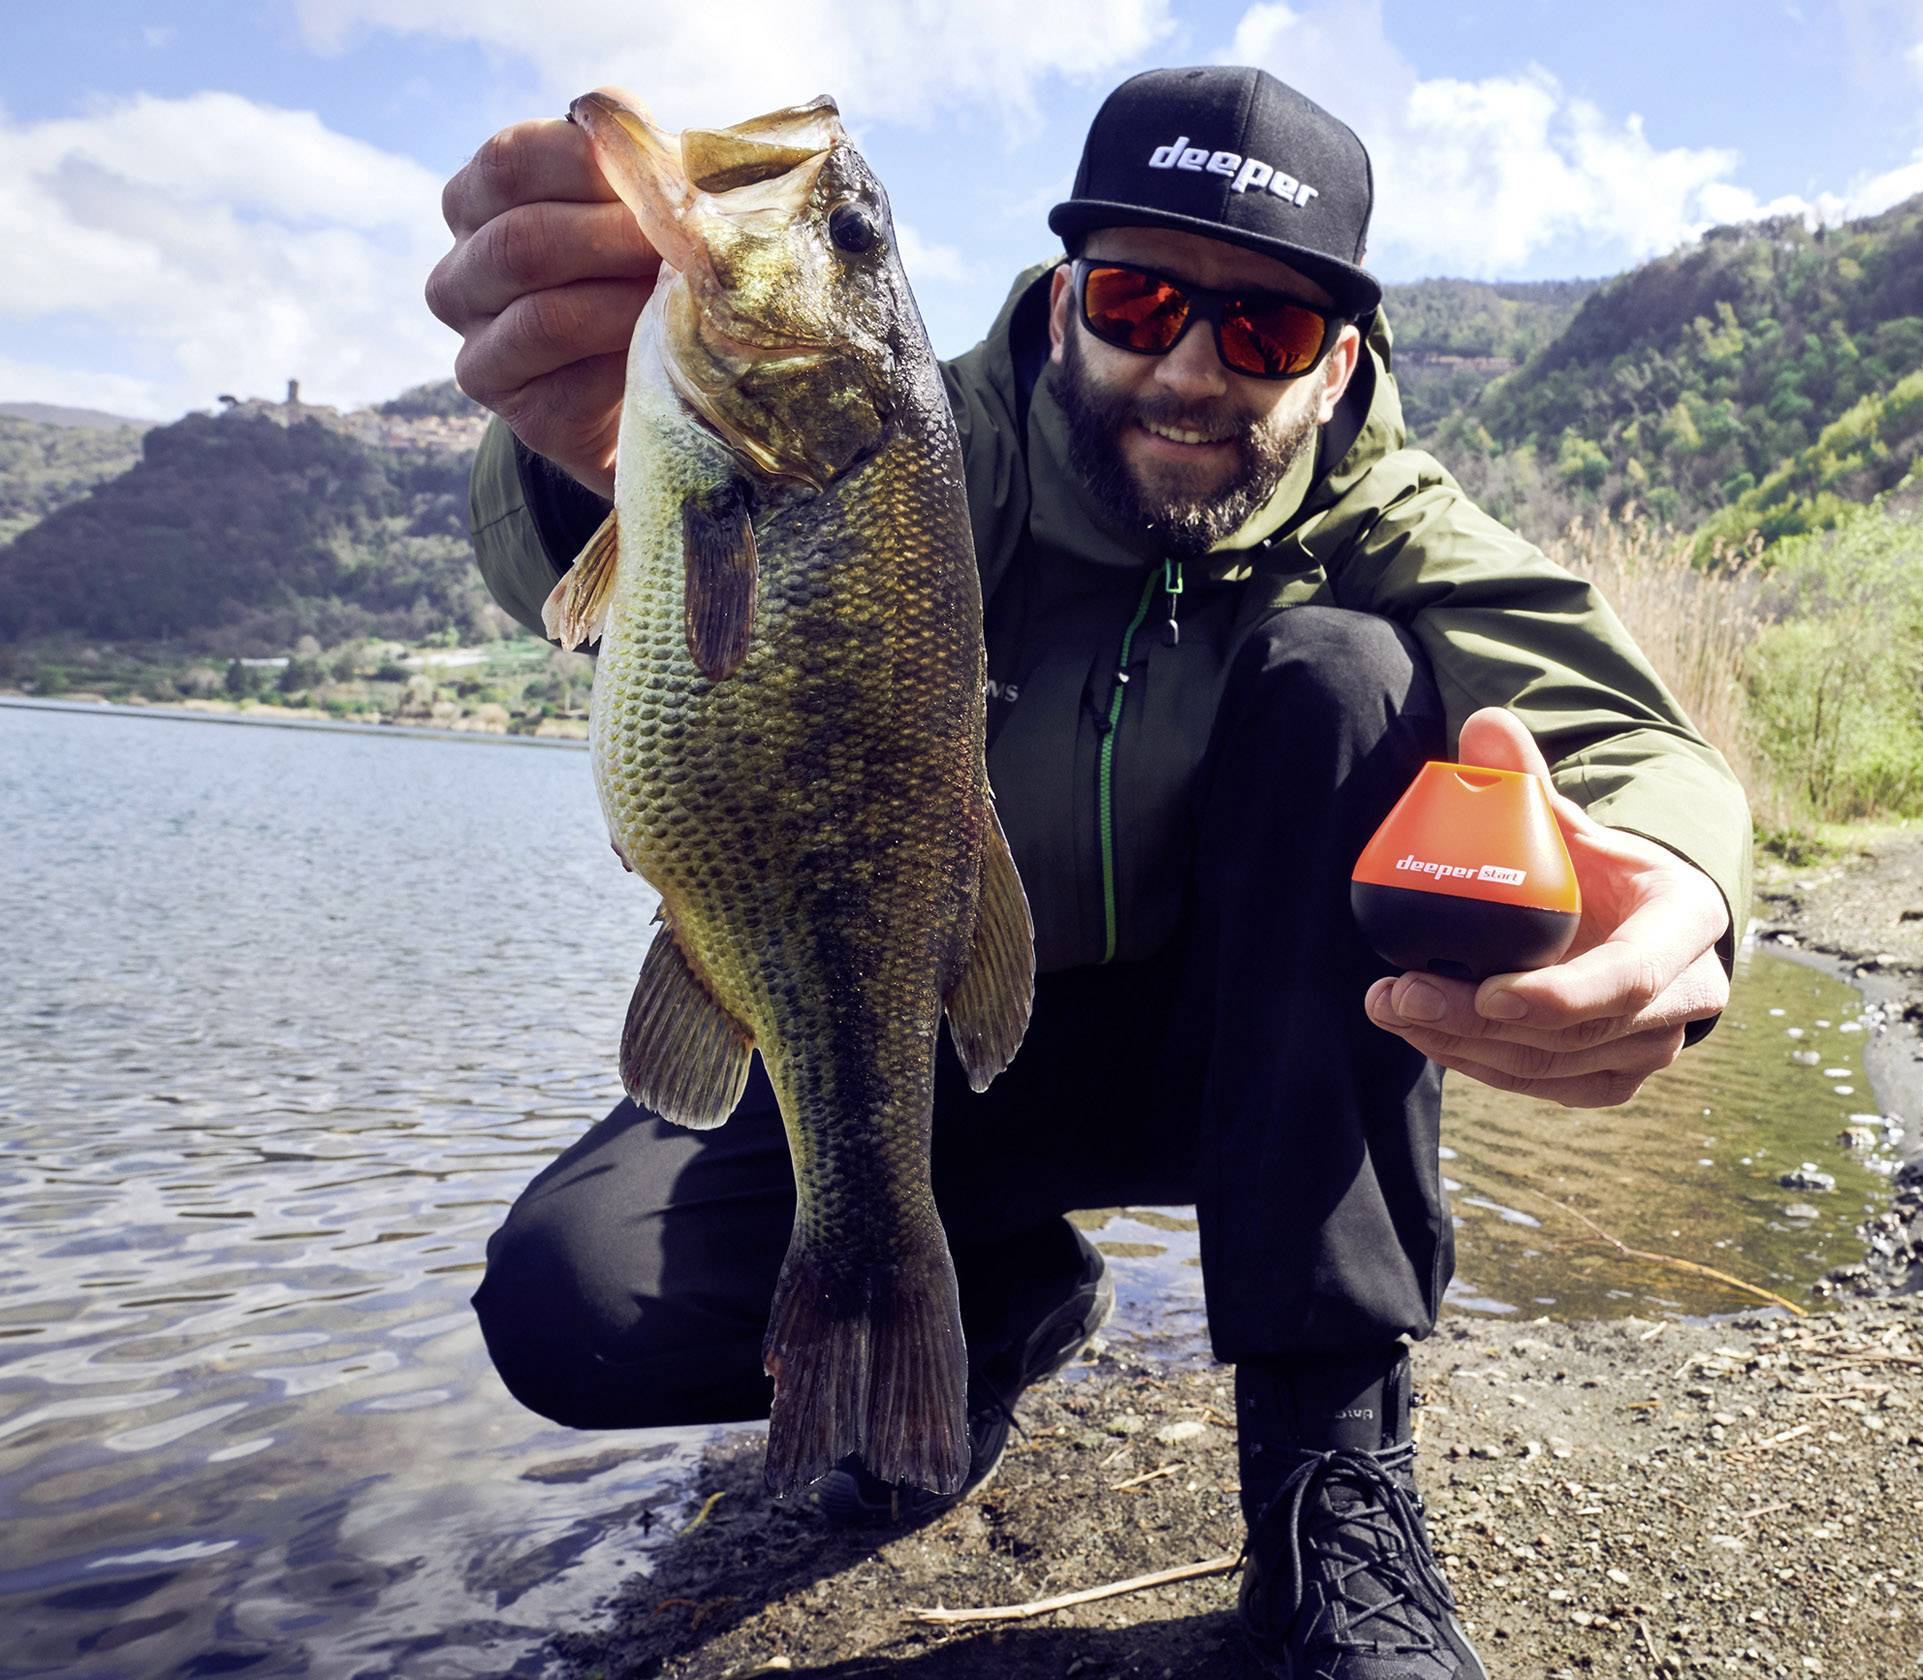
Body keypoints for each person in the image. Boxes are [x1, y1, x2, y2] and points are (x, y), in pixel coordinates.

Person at [428, 63, 1750, 1680]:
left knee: (1353, 680)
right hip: (904, 1027)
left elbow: (1608, 715)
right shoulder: (913, 440)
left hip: (1238, 1075)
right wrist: (577, 444)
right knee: (576, 1299)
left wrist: (1687, 885)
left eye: (1263, 332)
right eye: (1140, 297)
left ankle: (1333, 1491)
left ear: (1337, 368)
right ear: (1063, 307)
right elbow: (564, 565)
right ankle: (995, 1303)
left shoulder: (1380, 511)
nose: (1191, 368)